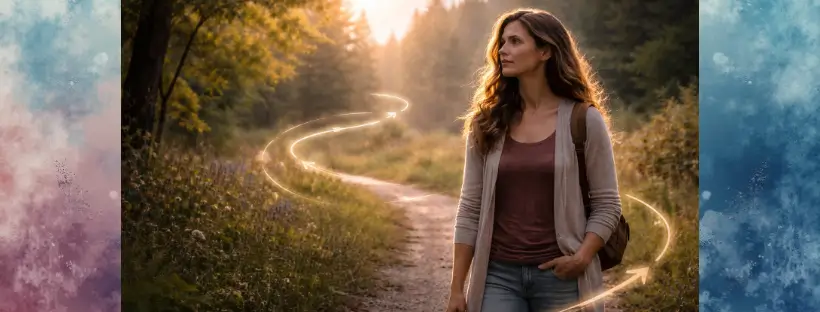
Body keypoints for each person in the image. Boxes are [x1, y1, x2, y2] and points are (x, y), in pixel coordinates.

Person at [446, 8, 622, 312]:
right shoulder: (487, 122)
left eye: (515, 41)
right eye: (502, 42)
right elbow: (470, 206)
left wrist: (580, 258)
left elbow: (608, 204)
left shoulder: (584, 120)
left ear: (545, 51)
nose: (503, 50)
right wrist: (457, 288)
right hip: (497, 276)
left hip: (562, 277)